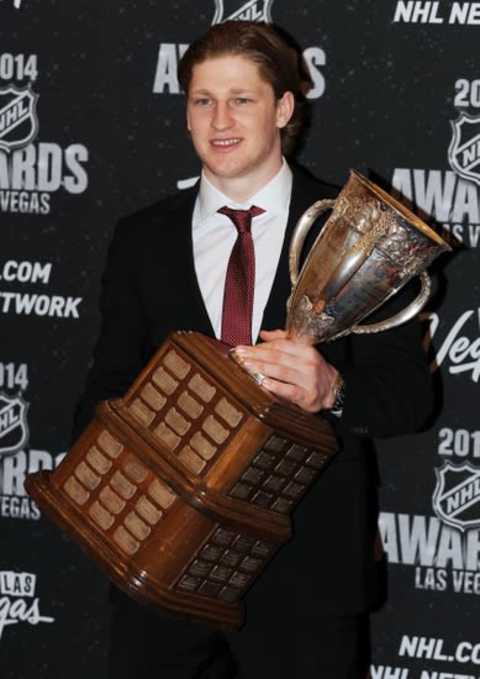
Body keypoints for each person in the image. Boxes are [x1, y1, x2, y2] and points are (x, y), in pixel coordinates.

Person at [73, 20, 433, 679]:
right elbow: (101, 393)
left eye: (242, 99)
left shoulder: (352, 230)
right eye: (202, 100)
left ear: (285, 108)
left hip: (307, 577)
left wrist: (333, 391)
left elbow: (411, 394)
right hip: (161, 574)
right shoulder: (141, 239)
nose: (220, 119)